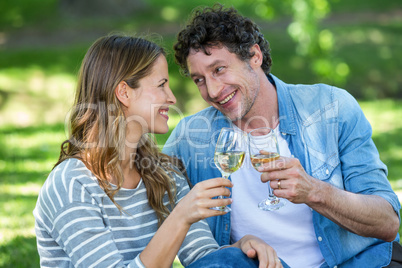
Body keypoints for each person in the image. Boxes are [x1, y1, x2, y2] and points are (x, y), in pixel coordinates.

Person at [162, 4, 402, 268]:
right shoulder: (190, 136)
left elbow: (387, 222)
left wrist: (315, 192)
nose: (213, 90)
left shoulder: (332, 108)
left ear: (254, 56)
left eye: (219, 69)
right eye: (199, 79)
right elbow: (154, 198)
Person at [33, 34, 284, 268]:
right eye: (162, 85)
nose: (172, 98)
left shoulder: (163, 173)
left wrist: (241, 248)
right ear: (124, 92)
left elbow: (205, 258)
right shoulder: (72, 184)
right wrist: (181, 216)